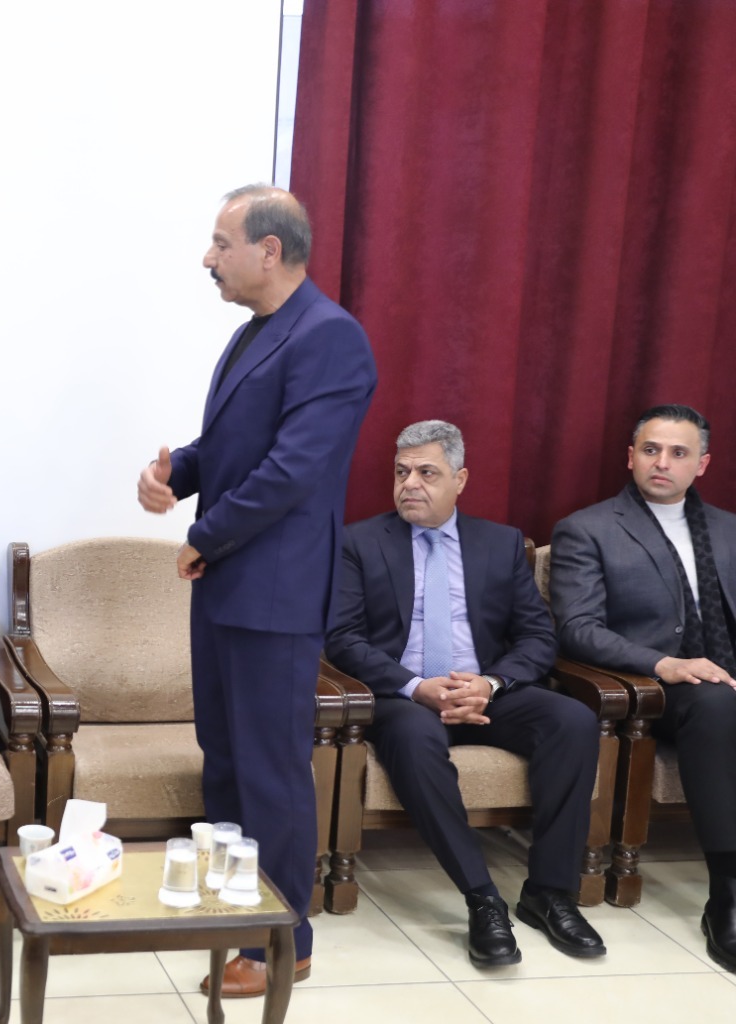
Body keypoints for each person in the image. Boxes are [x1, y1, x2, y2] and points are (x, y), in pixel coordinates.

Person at [136, 184, 376, 997]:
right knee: (228, 761)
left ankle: (282, 944)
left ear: (269, 251)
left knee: (271, 771)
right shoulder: (255, 333)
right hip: (229, 588)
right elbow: (235, 448)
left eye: (220, 243)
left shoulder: (331, 337)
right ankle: (236, 910)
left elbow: (292, 471)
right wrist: (177, 473)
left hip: (274, 594)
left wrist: (204, 534)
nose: (207, 258)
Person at [326, 420, 607, 966]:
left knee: (572, 720)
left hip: (486, 691)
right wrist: (416, 686)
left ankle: (550, 893)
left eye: (427, 473)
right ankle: (482, 898)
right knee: (413, 738)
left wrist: (489, 683)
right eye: (401, 472)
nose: (410, 483)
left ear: (460, 480)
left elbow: (537, 636)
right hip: (403, 696)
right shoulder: (358, 542)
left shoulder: (500, 543)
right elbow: (343, 639)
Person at [549, 404, 736, 972]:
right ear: (630, 456)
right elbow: (578, 629)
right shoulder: (588, 529)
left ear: (702, 464)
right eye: (651, 450)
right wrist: (664, 664)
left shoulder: (730, 529)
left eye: (679, 453)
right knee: (716, 703)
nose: (662, 462)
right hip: (658, 689)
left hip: (727, 675)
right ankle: (727, 894)